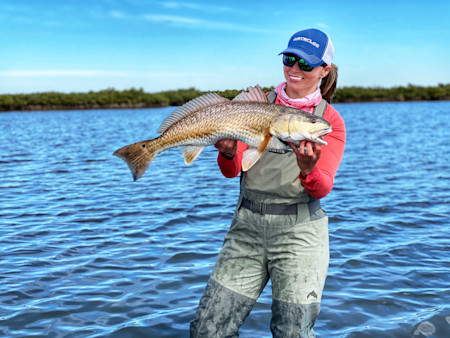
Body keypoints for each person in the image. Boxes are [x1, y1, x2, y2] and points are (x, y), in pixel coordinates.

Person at [190, 28, 346, 337]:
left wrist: (308, 168)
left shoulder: (328, 121)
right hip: (246, 227)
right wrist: (229, 152)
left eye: (306, 63)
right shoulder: (255, 105)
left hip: (300, 234)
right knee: (208, 330)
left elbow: (322, 187)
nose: (295, 69)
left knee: (292, 332)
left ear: (324, 70)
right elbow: (232, 170)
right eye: (290, 59)